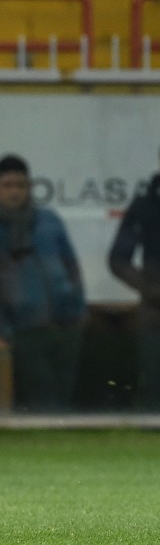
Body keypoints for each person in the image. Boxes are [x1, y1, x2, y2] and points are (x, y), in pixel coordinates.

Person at [0, 154, 85, 412]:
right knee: (41, 400)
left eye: (20, 185)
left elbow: (71, 266)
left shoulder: (49, 221)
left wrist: (78, 307)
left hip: (65, 324)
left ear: (29, 187)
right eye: (7, 186)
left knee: (65, 396)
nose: (15, 192)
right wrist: (3, 330)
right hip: (22, 330)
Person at [108, 147, 160, 410]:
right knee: (153, 383)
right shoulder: (145, 205)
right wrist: (150, 289)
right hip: (155, 311)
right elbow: (118, 259)